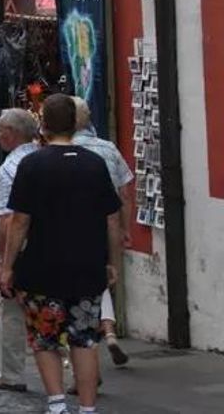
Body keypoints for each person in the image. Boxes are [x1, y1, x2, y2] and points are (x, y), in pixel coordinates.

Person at [0, 94, 123, 414]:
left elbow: (19, 220)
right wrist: (112, 262)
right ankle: (87, 407)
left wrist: (8, 265)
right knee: (85, 339)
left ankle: (56, 403)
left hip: (42, 269)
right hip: (86, 266)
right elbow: (112, 219)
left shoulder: (32, 165)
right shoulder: (94, 164)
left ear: (44, 124)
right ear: (75, 123)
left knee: (44, 338)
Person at [72, 97, 134, 368]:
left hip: (73, 227)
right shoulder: (108, 148)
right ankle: (109, 332)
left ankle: (85, 356)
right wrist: (126, 228)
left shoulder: (61, 151)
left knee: (77, 290)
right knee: (102, 279)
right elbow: (125, 193)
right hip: (106, 224)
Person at [0, 109, 39, 393]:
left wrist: (2, 263)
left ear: (12, 133)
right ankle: (80, 371)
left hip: (24, 248)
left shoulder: (9, 169)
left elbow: (8, 220)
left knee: (11, 311)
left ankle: (12, 373)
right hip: (54, 246)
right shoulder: (45, 158)